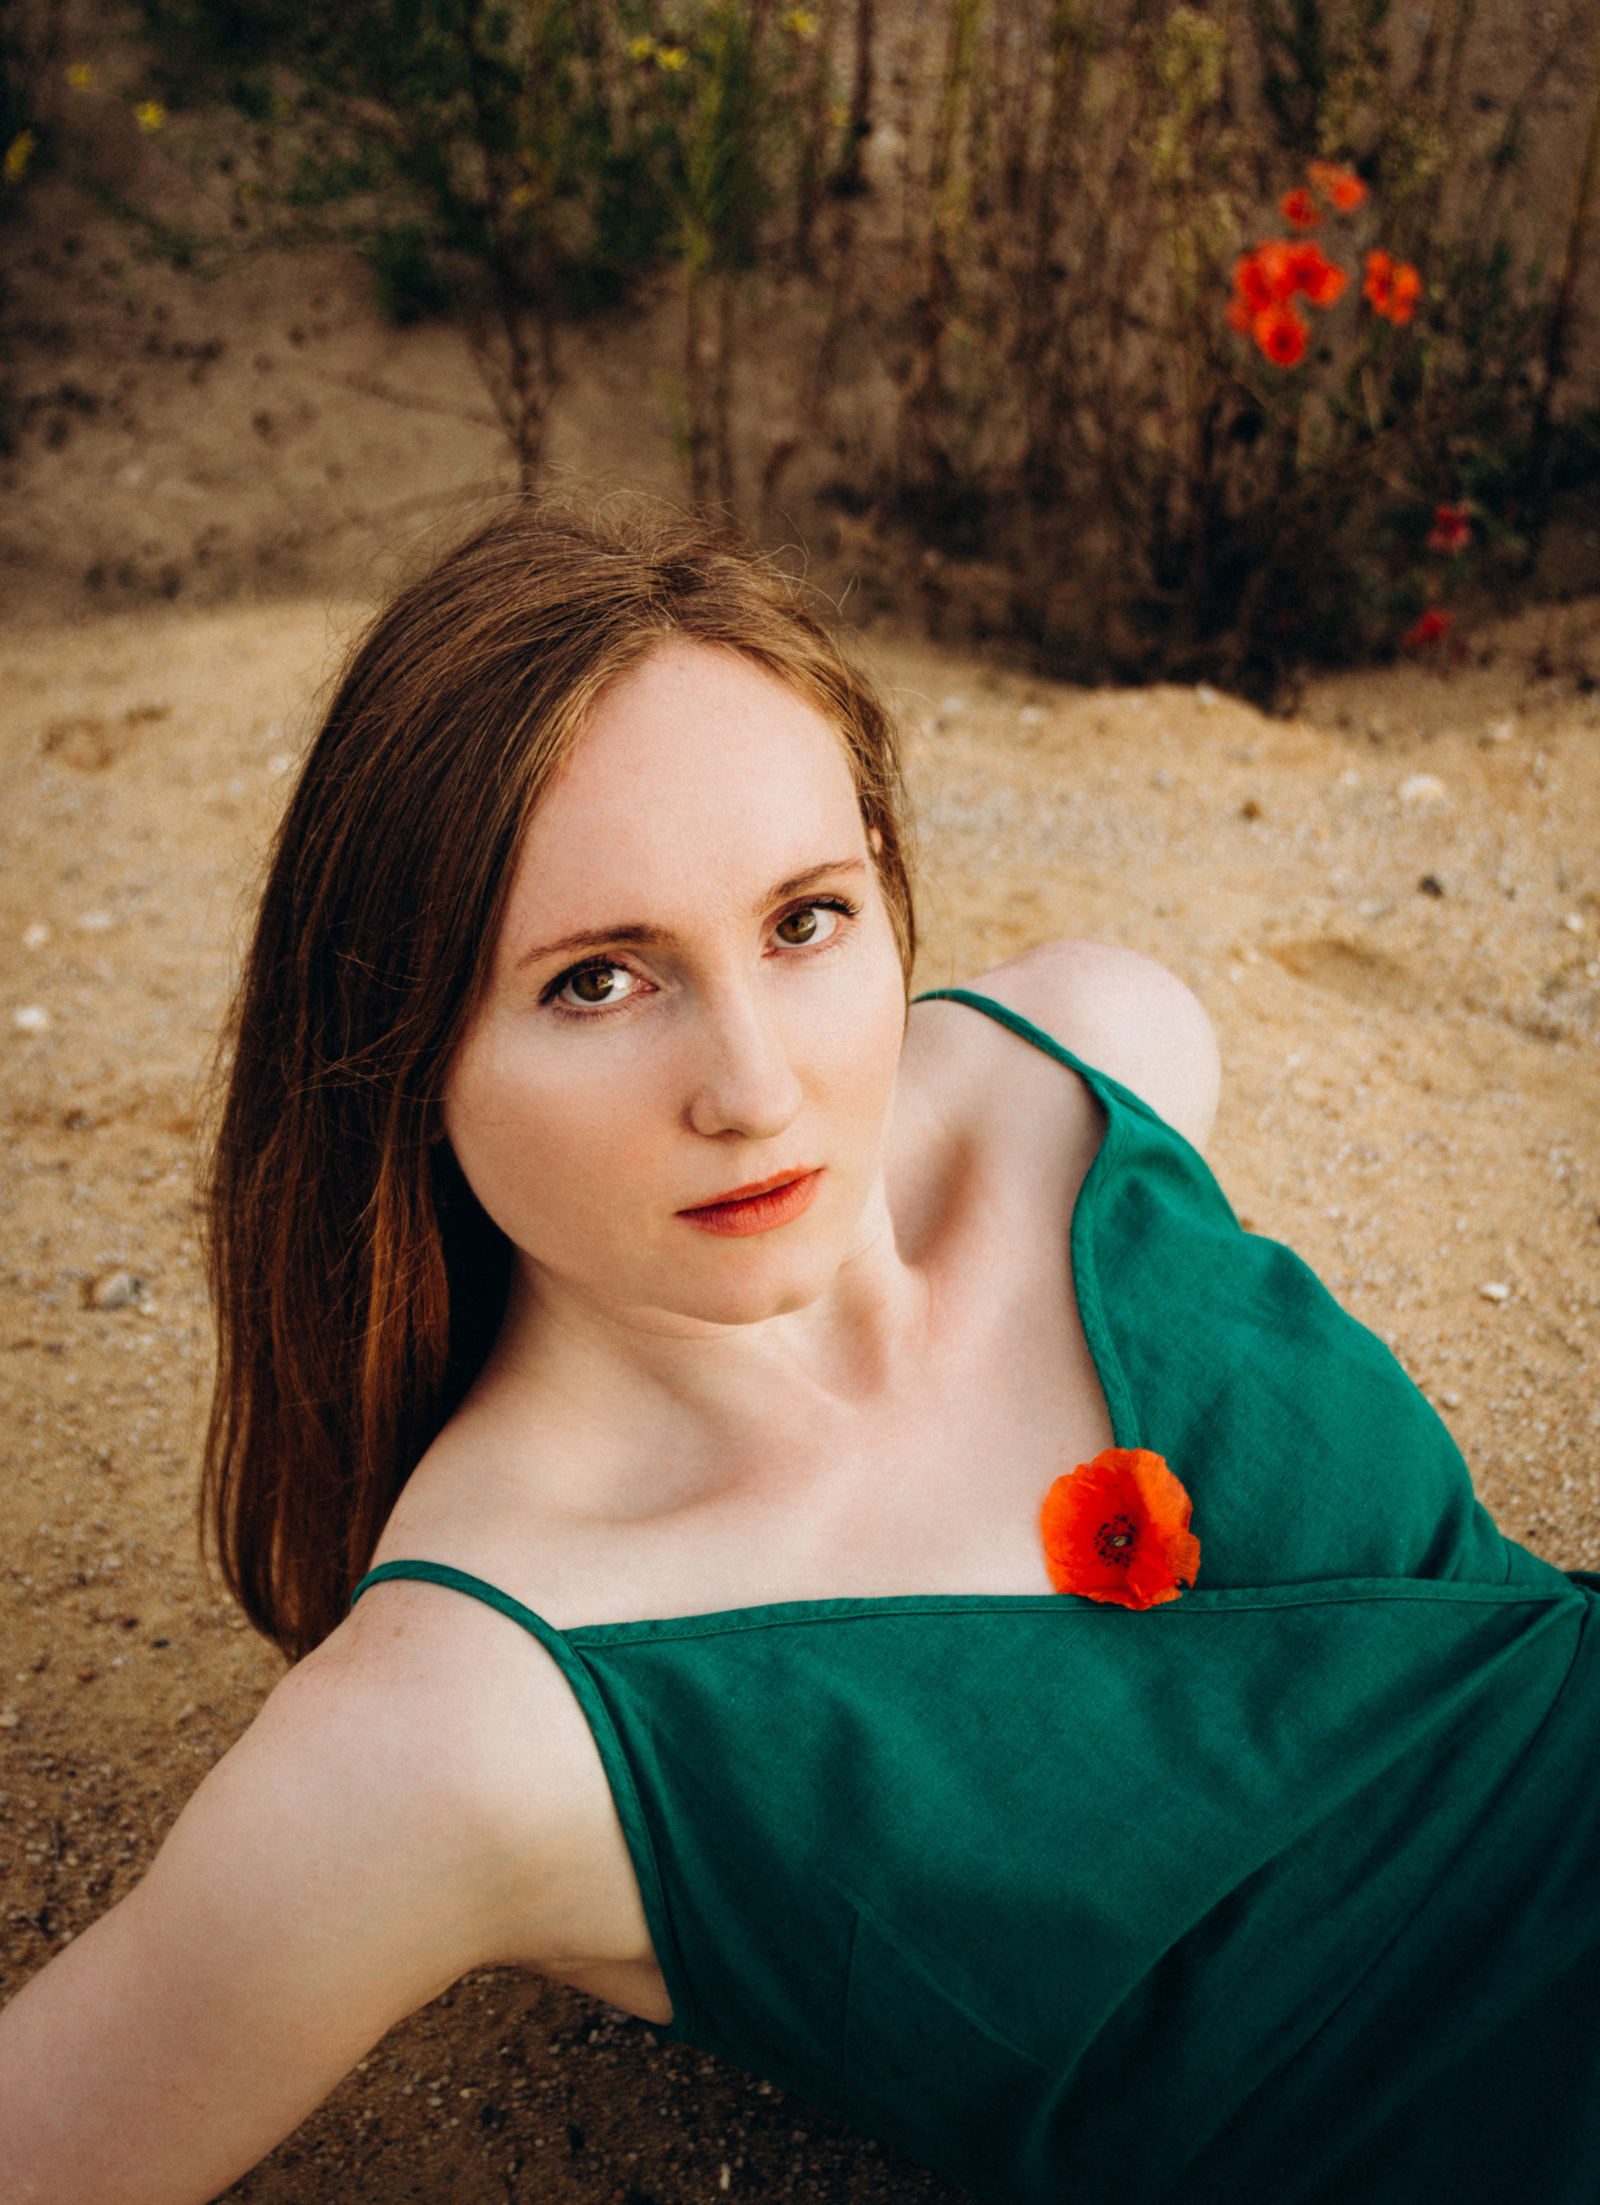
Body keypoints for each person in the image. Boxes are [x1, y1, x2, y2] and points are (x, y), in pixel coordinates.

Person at [1, 500, 1597, 2205]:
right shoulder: (459, 1727)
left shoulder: (1085, 1058)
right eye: (598, 982)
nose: (755, 1089)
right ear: (401, 1054)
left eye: (806, 921)